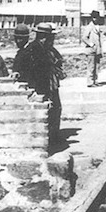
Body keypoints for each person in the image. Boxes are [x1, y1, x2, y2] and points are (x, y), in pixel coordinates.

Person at [30, 23, 65, 154]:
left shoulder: (48, 48)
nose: (52, 39)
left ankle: (54, 136)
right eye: (51, 37)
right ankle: (50, 139)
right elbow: (37, 69)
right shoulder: (35, 48)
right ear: (44, 36)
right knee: (49, 111)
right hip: (42, 85)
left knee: (56, 109)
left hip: (51, 83)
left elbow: (58, 57)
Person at [82, 10, 103, 87]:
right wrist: (91, 44)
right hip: (91, 50)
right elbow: (84, 38)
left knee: (96, 66)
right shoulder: (89, 27)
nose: (95, 19)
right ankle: (90, 82)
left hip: (97, 50)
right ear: (92, 18)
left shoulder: (97, 27)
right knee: (91, 67)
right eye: (94, 17)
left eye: (96, 17)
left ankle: (95, 80)